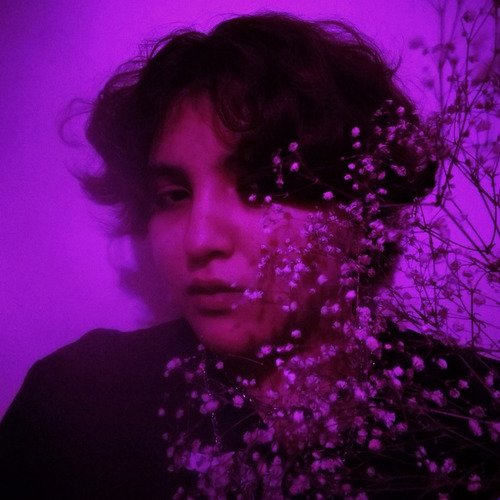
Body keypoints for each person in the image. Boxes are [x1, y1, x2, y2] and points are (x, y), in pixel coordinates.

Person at [0, 12, 498, 499]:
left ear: (363, 206)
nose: (199, 240)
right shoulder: (77, 404)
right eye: (172, 196)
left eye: (261, 188)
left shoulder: (472, 413)